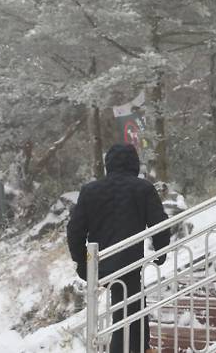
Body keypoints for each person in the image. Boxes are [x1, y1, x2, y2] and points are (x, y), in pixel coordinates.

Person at [67, 144, 170, 353]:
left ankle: (142, 347)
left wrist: (83, 264)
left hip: (102, 263)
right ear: (134, 163)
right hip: (130, 261)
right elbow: (160, 224)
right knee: (129, 311)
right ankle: (135, 348)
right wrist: (161, 251)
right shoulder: (143, 188)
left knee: (131, 306)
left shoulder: (90, 191)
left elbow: (75, 230)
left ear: (108, 165)